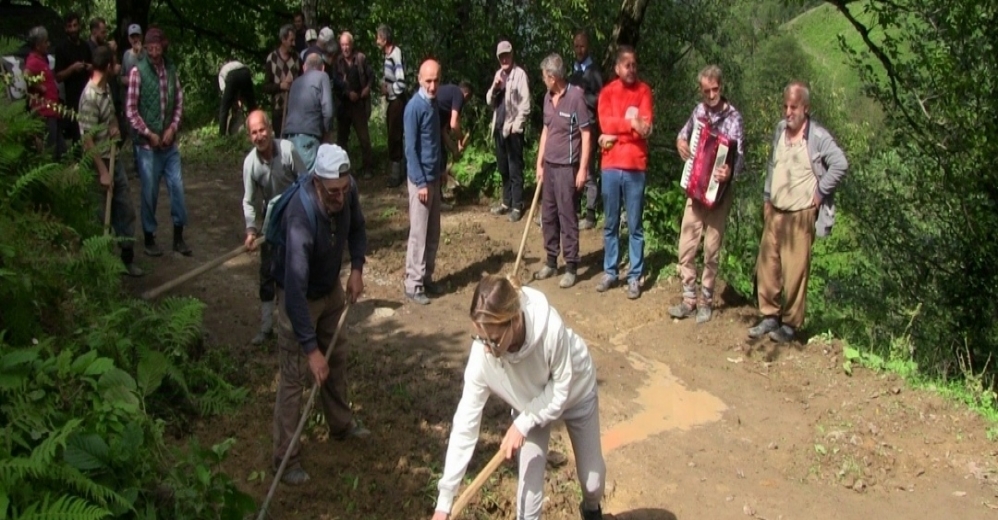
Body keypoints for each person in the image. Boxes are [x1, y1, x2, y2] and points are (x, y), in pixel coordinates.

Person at [430, 275, 606, 520]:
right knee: (528, 500)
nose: (487, 348)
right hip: (530, 408)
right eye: (481, 337)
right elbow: (465, 425)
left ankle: (591, 509)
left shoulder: (550, 330)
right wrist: (444, 502)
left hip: (575, 392)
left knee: (593, 482)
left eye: (493, 339)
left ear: (514, 321)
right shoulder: (483, 356)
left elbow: (560, 390)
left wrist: (521, 424)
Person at [270, 143, 370, 485]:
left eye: (343, 190)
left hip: (330, 289)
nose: (339, 198)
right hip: (297, 297)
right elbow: (294, 291)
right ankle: (286, 456)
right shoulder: (300, 216)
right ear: (316, 183)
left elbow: (357, 228)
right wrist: (311, 351)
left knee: (337, 357)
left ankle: (341, 425)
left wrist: (356, 269)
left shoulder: (347, 189)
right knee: (295, 377)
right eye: (332, 192)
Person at [748, 81, 848, 343]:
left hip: (800, 213)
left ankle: (791, 325)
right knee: (768, 265)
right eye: (785, 106)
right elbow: (773, 164)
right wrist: (767, 197)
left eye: (794, 107)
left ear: (806, 108)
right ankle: (769, 315)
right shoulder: (780, 130)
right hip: (776, 210)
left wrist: (819, 194)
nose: (788, 112)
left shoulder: (817, 137)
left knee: (795, 270)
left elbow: (840, 163)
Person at [669, 65, 745, 323]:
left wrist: (729, 172)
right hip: (695, 190)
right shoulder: (699, 111)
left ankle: (706, 301)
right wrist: (681, 144)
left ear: (721, 88)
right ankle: (688, 298)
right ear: (701, 91)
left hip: (718, 196)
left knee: (712, 250)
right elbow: (683, 134)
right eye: (706, 91)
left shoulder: (734, 118)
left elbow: (740, 159)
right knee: (686, 246)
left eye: (715, 89)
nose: (712, 95)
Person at [125, 27, 191, 257]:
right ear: (145, 48)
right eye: (149, 48)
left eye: (157, 47)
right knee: (149, 192)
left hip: (169, 145)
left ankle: (178, 237)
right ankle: (149, 237)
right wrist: (148, 133)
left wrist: (172, 128)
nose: (153, 52)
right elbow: (131, 110)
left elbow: (179, 103)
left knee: (177, 189)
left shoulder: (171, 71)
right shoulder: (137, 72)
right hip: (147, 147)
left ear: (163, 46)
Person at [77, 45, 143, 278]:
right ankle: (102, 267)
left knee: (124, 207)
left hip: (114, 159)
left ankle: (127, 259)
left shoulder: (105, 90)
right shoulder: (89, 97)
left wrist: (114, 128)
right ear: (106, 67)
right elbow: (87, 139)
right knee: (100, 217)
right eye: (114, 63)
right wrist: (103, 171)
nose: (117, 67)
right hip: (100, 164)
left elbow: (110, 120)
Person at [242, 110, 305, 345]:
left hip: (297, 217)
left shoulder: (288, 150)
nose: (259, 136)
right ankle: (267, 327)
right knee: (268, 273)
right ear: (250, 136)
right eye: (254, 133)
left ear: (270, 129)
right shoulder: (250, 163)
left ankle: (300, 325)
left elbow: (306, 181)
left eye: (262, 130)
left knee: (297, 272)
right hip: (272, 221)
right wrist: (251, 230)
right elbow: (248, 201)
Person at [595, 46, 653, 299]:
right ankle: (610, 271)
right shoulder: (607, 92)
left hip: (635, 167)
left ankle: (634, 275)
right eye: (626, 65)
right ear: (617, 68)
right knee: (610, 223)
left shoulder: (644, 91)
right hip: (610, 166)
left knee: (635, 224)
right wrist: (630, 122)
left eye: (634, 64)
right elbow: (605, 124)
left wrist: (618, 132)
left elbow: (646, 126)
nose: (631, 69)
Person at [533, 53, 591, 289]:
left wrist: (583, 170)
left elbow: (586, 134)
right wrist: (539, 162)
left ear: (553, 77)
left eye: (545, 76)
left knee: (567, 216)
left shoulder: (576, 97)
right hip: (550, 166)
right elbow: (546, 131)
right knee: (548, 216)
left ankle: (571, 265)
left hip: (568, 168)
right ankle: (550, 261)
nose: (543, 80)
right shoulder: (547, 98)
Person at [403, 59, 443, 305]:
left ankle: (426, 277)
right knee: (419, 232)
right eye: (428, 81)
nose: (432, 86)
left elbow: (433, 142)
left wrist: (439, 172)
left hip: (434, 178)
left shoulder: (433, 104)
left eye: (436, 80)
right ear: (419, 79)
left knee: (433, 232)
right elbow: (411, 148)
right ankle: (413, 283)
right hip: (421, 181)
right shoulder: (414, 107)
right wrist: (420, 182)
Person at [486, 40, 530, 222]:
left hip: (513, 129)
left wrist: (516, 126)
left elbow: (525, 105)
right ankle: (506, 202)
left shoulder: (520, 75)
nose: (504, 59)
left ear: (512, 55)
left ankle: (517, 205)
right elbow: (489, 101)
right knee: (503, 167)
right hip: (498, 127)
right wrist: (495, 87)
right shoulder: (499, 75)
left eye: (507, 55)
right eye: (501, 56)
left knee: (515, 169)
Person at [568, 29, 603, 230]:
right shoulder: (574, 71)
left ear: (587, 46)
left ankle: (590, 214)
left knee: (588, 169)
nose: (579, 49)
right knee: (574, 168)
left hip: (589, 126)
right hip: (573, 127)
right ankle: (573, 210)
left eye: (582, 46)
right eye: (576, 46)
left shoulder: (594, 72)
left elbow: (600, 99)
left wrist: (582, 96)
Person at [283, 53, 333, 173]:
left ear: (304, 67)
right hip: (308, 141)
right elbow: (328, 111)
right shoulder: (323, 77)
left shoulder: (295, 83)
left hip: (289, 140)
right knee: (309, 184)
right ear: (323, 67)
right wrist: (327, 133)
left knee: (294, 184)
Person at [335, 32, 374, 178]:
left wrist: (367, 89)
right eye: (343, 45)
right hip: (344, 105)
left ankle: (368, 168)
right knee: (342, 140)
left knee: (364, 137)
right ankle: (341, 169)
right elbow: (336, 82)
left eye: (347, 44)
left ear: (352, 44)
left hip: (359, 103)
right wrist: (347, 92)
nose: (345, 48)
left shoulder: (361, 58)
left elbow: (371, 76)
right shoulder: (337, 62)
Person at [24, 26, 65, 160]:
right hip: (45, 112)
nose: (48, 44)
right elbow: (26, 75)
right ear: (37, 45)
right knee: (50, 150)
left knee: (61, 149)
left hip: (53, 111)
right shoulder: (33, 61)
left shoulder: (42, 59)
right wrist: (38, 87)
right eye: (46, 41)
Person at [54, 12, 92, 150]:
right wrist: (72, 68)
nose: (73, 29)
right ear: (66, 29)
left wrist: (89, 67)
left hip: (88, 95)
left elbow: (94, 67)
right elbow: (58, 76)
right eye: (70, 26)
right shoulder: (61, 48)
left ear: (79, 26)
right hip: (72, 98)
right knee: (77, 134)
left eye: (75, 25)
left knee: (90, 130)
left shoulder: (85, 46)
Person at [376, 24, 407, 187]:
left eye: (378, 38)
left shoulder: (396, 54)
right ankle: (398, 172)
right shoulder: (387, 55)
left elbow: (401, 82)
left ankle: (397, 175)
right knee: (392, 134)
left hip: (397, 100)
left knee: (395, 135)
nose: (376, 41)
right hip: (392, 100)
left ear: (385, 39)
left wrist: (388, 90)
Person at [262, 24, 302, 137]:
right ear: (283, 40)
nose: (294, 44)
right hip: (278, 111)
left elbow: (303, 83)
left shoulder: (297, 58)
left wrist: (294, 84)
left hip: (295, 110)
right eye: (291, 40)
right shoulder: (272, 59)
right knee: (280, 142)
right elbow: (266, 87)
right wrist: (281, 86)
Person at [218, 60, 256, 136]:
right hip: (245, 72)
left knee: (224, 108)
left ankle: (222, 134)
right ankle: (256, 125)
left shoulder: (221, 74)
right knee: (251, 103)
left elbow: (225, 92)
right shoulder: (235, 63)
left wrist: (233, 103)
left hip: (233, 76)